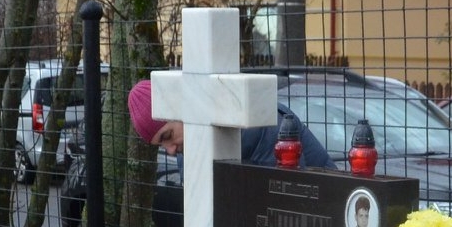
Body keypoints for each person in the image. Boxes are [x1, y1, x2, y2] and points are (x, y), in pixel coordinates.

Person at [127, 79, 330, 167]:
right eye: (161, 146)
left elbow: (290, 202)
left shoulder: (255, 129)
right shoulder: (189, 152)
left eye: (167, 136)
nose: (170, 151)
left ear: (183, 109)